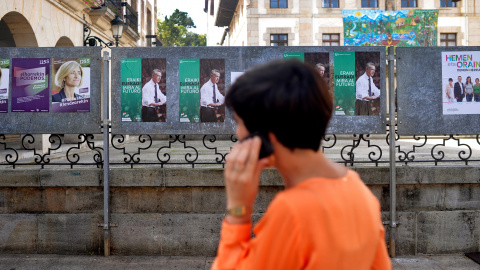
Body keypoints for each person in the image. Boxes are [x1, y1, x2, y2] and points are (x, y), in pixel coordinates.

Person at [211, 59, 391, 270]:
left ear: (267, 134)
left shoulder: (291, 212)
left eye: (239, 123)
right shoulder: (359, 191)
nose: (237, 134)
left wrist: (237, 211)